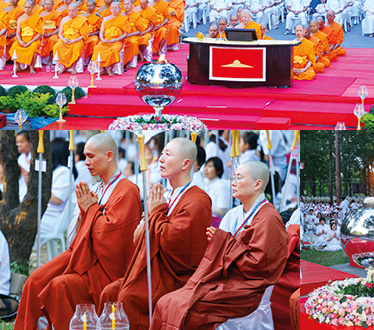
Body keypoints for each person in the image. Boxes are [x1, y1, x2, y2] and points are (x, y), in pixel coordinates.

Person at [16, 134, 142, 330]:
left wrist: (90, 210)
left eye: (91, 157)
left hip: (106, 267)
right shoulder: (97, 188)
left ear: (109, 156)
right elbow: (81, 231)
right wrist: (86, 212)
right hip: (84, 255)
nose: (86, 162)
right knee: (35, 280)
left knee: (60, 286)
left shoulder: (128, 190)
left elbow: (113, 238)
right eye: (85, 157)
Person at [149, 161, 289, 330]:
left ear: (257, 184)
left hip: (247, 289)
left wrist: (225, 243)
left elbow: (260, 266)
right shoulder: (234, 214)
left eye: (239, 177)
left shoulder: (269, 218)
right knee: (166, 302)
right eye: (233, 177)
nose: (233, 182)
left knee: (189, 312)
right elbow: (219, 250)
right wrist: (219, 244)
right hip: (224, 278)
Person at [100, 138, 212, 330]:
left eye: (167, 154)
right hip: (153, 268)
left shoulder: (198, 200)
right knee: (109, 293)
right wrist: (152, 217)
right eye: (161, 154)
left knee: (129, 298)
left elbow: (174, 242)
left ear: (186, 163)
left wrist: (156, 214)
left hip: (175, 275)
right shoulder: (166, 194)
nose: (160, 159)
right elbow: (138, 237)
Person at [39, 138, 75, 235]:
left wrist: (38, 189)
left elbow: (58, 199)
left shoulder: (64, 172)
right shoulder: (56, 171)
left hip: (51, 218)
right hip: (44, 215)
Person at [91, 1, 131, 76]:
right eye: (112, 8)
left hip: (117, 41)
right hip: (106, 41)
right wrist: (102, 39)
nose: (114, 10)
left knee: (115, 49)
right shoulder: (106, 19)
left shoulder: (124, 19)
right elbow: (101, 32)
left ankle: (110, 68)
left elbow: (125, 33)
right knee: (97, 48)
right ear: (110, 9)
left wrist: (116, 39)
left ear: (120, 9)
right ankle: (102, 69)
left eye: (116, 8)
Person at [53, 2, 89, 74]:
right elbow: (60, 33)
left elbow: (84, 35)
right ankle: (63, 66)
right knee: (57, 46)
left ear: (77, 11)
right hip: (65, 40)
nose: (71, 12)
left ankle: (73, 66)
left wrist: (74, 40)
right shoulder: (64, 19)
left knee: (78, 47)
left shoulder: (82, 20)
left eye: (73, 11)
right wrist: (63, 39)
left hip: (76, 40)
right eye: (69, 10)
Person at [13, 0, 42, 73]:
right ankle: (18, 66)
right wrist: (20, 41)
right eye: (25, 7)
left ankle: (32, 67)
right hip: (23, 39)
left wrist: (31, 41)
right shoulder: (20, 18)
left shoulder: (36, 18)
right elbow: (18, 32)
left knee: (34, 46)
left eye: (29, 7)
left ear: (32, 8)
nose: (27, 9)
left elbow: (39, 33)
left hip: (33, 39)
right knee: (15, 45)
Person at [202, 157, 231, 223]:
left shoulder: (220, 186)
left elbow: (223, 210)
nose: (206, 169)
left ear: (218, 170)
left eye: (210, 166)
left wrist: (204, 207)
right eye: (205, 166)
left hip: (217, 223)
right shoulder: (206, 184)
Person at [16, 130, 32, 202]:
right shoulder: (21, 158)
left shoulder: (34, 157)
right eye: (17, 142)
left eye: (22, 142)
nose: (19, 145)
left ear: (30, 142)